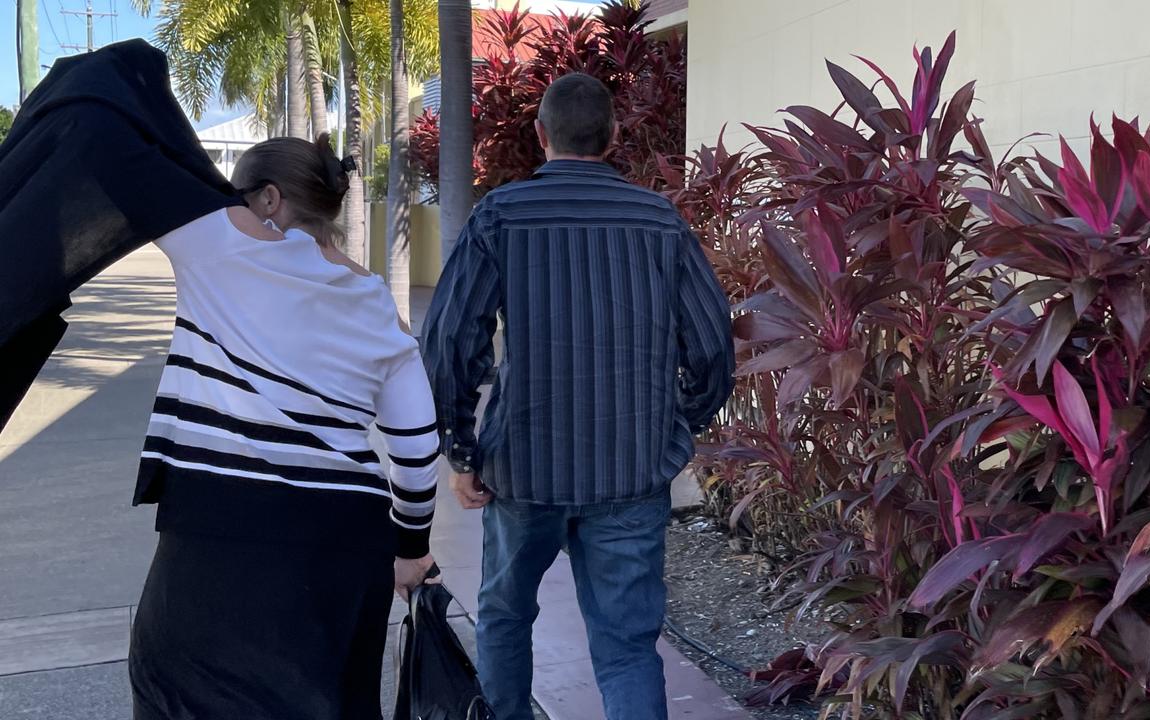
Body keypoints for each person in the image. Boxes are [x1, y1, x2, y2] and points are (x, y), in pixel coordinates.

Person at [424, 73, 736, 720]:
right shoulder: (661, 223)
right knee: (626, 648)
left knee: (505, 617)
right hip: (629, 473)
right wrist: (673, 428)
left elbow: (449, 343)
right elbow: (712, 351)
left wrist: (458, 450)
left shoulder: (499, 216)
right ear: (615, 136)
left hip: (522, 467)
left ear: (541, 136)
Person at [128, 134, 441, 720]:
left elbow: (135, 158)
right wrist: (411, 547)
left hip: (217, 530)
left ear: (268, 198)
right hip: (346, 544)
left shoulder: (211, 244)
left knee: (184, 699)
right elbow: (418, 448)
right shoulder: (376, 302)